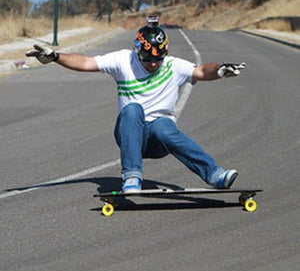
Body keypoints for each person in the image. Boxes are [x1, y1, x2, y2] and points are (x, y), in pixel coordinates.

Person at [26, 17, 245, 193]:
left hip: (159, 140)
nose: (152, 63)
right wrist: (55, 56)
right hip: (130, 134)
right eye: (147, 58)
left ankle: (215, 175)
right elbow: (85, 62)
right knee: (132, 109)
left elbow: (200, 71)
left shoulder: (173, 66)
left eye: (157, 58)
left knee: (163, 126)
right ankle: (131, 176)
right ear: (137, 51)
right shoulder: (123, 60)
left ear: (165, 53)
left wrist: (219, 70)